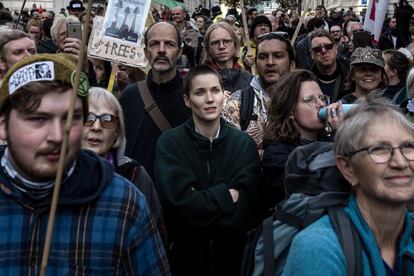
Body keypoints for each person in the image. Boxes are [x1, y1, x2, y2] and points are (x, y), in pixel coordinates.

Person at [0, 53, 170, 274]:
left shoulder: (124, 203)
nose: (58, 136)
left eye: (72, 118)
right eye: (38, 119)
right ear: (3, 125)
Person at [283, 96, 414, 275]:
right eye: (379, 149)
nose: (400, 162)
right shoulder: (318, 248)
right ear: (348, 168)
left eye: (408, 146)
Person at [155, 65, 265, 276]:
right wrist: (228, 195)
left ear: (223, 95)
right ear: (187, 100)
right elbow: (179, 208)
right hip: (186, 263)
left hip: (235, 262)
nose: (209, 98)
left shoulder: (243, 145)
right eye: (200, 92)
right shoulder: (170, 144)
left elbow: (248, 212)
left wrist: (200, 202)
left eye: (214, 90)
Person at [82, 87, 167, 245]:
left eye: (107, 120)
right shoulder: (58, 173)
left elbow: (154, 237)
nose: (96, 127)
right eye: (88, 118)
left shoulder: (135, 175)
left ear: (117, 131)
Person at [119, 21, 190, 179]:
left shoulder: (193, 96)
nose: (162, 50)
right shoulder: (130, 95)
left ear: (179, 52)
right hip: (137, 191)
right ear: (145, 52)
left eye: (170, 44)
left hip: (180, 194)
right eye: (154, 44)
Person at [262, 70, 341, 206]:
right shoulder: (276, 153)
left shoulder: (326, 141)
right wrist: (340, 137)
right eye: (309, 100)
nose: (321, 105)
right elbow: (314, 189)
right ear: (291, 111)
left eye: (322, 98)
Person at [222, 32, 294, 154]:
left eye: (278, 56)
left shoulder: (307, 100)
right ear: (256, 63)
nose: (270, 62)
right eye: (263, 57)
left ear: (292, 64)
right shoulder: (236, 104)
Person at [202, 21, 253, 93]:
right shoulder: (199, 80)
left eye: (226, 41)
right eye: (216, 43)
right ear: (208, 48)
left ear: (235, 45)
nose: (221, 46)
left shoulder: (249, 80)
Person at [309, 30, 350, 102]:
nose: (323, 51)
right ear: (311, 54)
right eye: (317, 49)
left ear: (336, 49)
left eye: (328, 46)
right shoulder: (304, 81)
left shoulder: (351, 78)